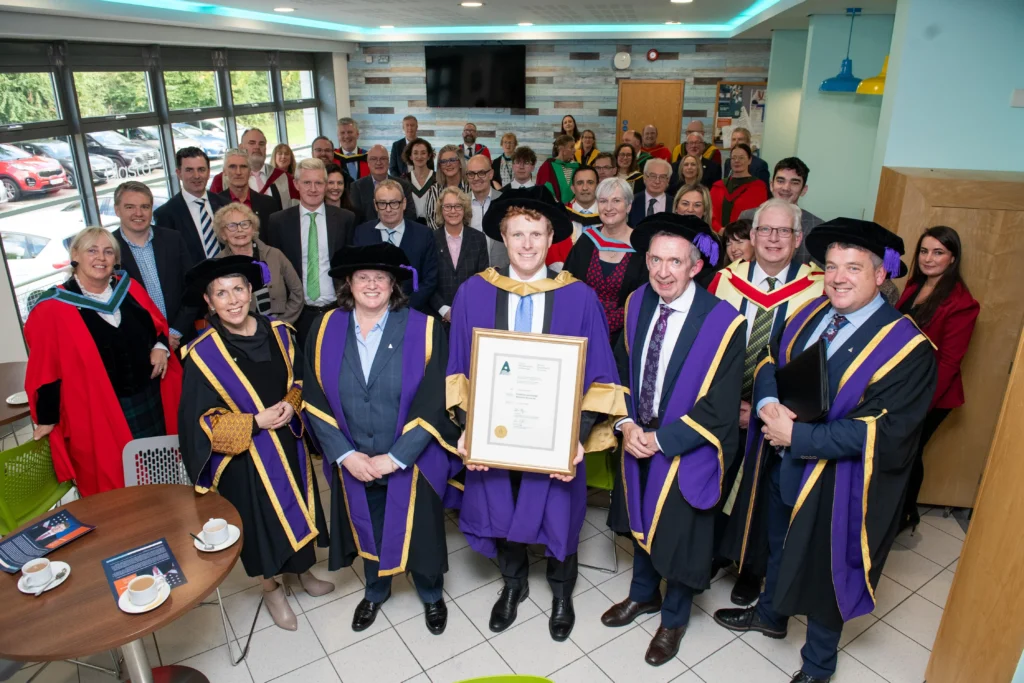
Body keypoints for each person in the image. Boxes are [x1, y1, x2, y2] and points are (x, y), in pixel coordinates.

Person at [714, 219, 937, 683]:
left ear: (880, 275)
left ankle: (818, 665)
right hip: (782, 460)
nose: (837, 277)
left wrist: (799, 438)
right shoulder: (811, 313)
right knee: (778, 544)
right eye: (831, 266)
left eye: (853, 268)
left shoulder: (908, 347)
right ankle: (772, 616)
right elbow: (773, 361)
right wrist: (770, 403)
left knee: (826, 567)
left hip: (839, 481)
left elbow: (884, 432)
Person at [446, 188, 627, 641]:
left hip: (556, 438)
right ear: (503, 239)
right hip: (498, 435)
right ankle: (514, 585)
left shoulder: (579, 298)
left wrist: (577, 437)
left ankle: (562, 591)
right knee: (502, 505)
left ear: (551, 239)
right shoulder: (474, 293)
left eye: (537, 234)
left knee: (561, 511)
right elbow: (459, 369)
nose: (527, 245)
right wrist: (469, 431)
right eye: (517, 234)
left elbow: (600, 374)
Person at [603, 213, 744, 666]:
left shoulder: (725, 323)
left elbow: (720, 408)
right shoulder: (638, 301)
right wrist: (626, 425)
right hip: (638, 433)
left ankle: (675, 617)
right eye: (656, 260)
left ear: (695, 266)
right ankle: (643, 594)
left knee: (681, 536)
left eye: (675, 262)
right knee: (643, 518)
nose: (664, 272)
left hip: (686, 448)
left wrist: (661, 440)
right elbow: (620, 369)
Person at [303, 244, 461, 636]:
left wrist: (398, 456)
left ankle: (430, 593)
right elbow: (313, 397)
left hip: (410, 456)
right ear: (348, 284)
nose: (371, 284)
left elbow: (434, 399)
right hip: (354, 454)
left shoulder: (423, 328)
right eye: (362, 277)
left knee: (420, 528)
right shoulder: (325, 328)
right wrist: (343, 455)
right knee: (368, 524)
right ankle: (375, 590)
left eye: (380, 278)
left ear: (393, 285)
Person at [179, 256, 332, 632]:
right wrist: (253, 422)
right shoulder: (201, 354)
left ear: (251, 292)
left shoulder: (281, 332)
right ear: (209, 301)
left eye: (238, 289)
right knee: (260, 522)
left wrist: (289, 405)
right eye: (220, 293)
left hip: (288, 440)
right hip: (243, 458)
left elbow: (301, 381)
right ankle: (271, 588)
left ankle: (302, 573)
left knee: (299, 507)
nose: (231, 300)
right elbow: (201, 421)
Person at [708, 199, 825, 607]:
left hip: (778, 414)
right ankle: (717, 552)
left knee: (762, 492)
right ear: (752, 236)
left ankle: (751, 568)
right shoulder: (725, 280)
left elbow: (814, 363)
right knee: (719, 479)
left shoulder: (818, 289)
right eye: (765, 231)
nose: (773, 239)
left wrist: (759, 407)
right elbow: (707, 347)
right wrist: (727, 403)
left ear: (798, 239)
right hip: (723, 405)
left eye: (783, 232)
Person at [26, 227, 182, 496]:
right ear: (75, 255)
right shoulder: (53, 307)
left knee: (160, 471)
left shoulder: (128, 288)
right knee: (116, 483)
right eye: (92, 250)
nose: (101, 257)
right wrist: (48, 418)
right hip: (96, 412)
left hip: (147, 401)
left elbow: (156, 324)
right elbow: (46, 369)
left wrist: (160, 346)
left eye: (108, 251)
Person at [896, 226, 979, 532]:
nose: (928, 259)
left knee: (909, 452)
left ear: (953, 258)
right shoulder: (914, 286)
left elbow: (948, 362)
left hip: (932, 394)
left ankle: (905, 514)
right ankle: (901, 512)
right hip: (902, 386)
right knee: (900, 450)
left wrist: (922, 405)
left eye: (938, 252)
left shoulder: (962, 303)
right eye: (924, 251)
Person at [266, 158, 356, 344]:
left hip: (337, 308)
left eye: (318, 183)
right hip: (298, 313)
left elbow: (351, 265)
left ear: (325, 186)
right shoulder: (279, 222)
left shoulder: (344, 219)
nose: (313, 189)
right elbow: (275, 270)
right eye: (307, 182)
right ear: (296, 184)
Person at [112, 181, 195, 351]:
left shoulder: (173, 239)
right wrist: (158, 342)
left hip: (183, 340)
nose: (138, 213)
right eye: (130, 207)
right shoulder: (108, 250)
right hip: (140, 348)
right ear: (117, 210)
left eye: (145, 206)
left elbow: (193, 288)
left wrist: (174, 332)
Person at [563, 177, 645, 342]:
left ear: (628, 206)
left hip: (624, 337)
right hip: (582, 330)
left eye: (616, 201)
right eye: (603, 201)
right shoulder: (586, 241)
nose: (609, 207)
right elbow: (567, 284)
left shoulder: (641, 247)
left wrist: (607, 324)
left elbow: (643, 297)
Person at [353, 179, 438, 314]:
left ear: (404, 203)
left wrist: (406, 308)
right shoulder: (362, 233)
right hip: (372, 311)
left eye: (394, 203)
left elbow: (430, 278)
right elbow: (357, 275)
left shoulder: (424, 234)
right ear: (375, 205)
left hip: (412, 312)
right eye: (382, 203)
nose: (388, 209)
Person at [214, 202, 303, 325]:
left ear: (253, 228)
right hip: (240, 334)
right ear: (223, 234)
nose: (240, 230)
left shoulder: (275, 255)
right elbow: (214, 305)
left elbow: (297, 292)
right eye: (232, 226)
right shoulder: (218, 264)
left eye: (244, 224)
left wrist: (283, 323)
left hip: (279, 328)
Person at [740, 157, 822, 265]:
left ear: (804, 190)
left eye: (794, 182)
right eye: (780, 181)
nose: (786, 188)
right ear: (771, 185)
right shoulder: (747, 217)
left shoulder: (816, 228)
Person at [154, 147, 229, 263]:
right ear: (179, 173)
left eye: (201, 169)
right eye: (189, 170)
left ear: (208, 172)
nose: (196, 176)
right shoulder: (166, 214)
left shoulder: (225, 204)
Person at [431, 187, 489, 323]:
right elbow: (427, 280)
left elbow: (482, 279)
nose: (453, 211)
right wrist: (444, 310)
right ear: (441, 210)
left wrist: (466, 309)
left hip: (471, 315)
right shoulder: (430, 239)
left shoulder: (478, 239)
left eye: (458, 206)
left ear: (465, 209)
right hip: (439, 318)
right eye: (448, 207)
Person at [210, 128, 289, 211]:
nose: (257, 147)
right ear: (241, 147)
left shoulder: (283, 177)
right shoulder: (219, 180)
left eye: (261, 144)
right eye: (252, 143)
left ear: (265, 148)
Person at [547, 165, 601, 271]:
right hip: (564, 279)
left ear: (598, 186)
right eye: (580, 183)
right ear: (573, 188)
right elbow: (551, 252)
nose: (585, 188)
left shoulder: (609, 215)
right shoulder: (559, 214)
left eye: (590, 182)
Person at [218, 148, 279, 241]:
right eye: (232, 166)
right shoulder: (215, 204)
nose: (238, 172)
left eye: (243, 166)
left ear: (250, 171)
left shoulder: (269, 204)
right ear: (224, 171)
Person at [350, 145, 417, 225]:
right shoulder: (356, 187)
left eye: (383, 158)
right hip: (368, 234)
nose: (379, 162)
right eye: (374, 159)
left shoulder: (403, 185)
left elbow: (410, 215)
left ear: (388, 162)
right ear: (368, 163)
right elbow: (356, 218)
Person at [710, 143, 769, 233]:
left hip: (744, 238)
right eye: (733, 158)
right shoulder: (718, 186)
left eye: (741, 157)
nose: (736, 161)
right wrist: (720, 230)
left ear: (749, 160)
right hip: (717, 237)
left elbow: (758, 218)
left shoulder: (758, 187)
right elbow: (709, 214)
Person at [466, 154, 509, 268]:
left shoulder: (505, 202)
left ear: (491, 174)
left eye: (481, 173)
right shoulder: (460, 204)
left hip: (500, 272)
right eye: (471, 174)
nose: (476, 178)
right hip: (469, 272)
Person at [424, 144, 470, 230]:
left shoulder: (470, 187)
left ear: (460, 163)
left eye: (452, 160)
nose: (448, 164)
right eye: (443, 161)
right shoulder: (434, 190)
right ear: (440, 166)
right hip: (441, 240)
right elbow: (431, 220)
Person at [628, 159, 673, 226]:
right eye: (653, 176)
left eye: (662, 177)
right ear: (645, 177)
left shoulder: (675, 204)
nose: (657, 181)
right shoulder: (631, 201)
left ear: (668, 180)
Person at [536, 135, 579, 204]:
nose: (574, 150)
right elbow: (542, 188)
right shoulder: (548, 165)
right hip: (553, 208)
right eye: (571, 147)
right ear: (562, 149)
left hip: (574, 208)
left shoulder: (577, 167)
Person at [402, 137, 436, 221]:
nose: (419, 156)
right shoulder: (404, 180)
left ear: (429, 156)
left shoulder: (437, 178)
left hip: (434, 227)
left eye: (423, 153)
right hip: (411, 227)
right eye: (415, 153)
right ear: (410, 156)